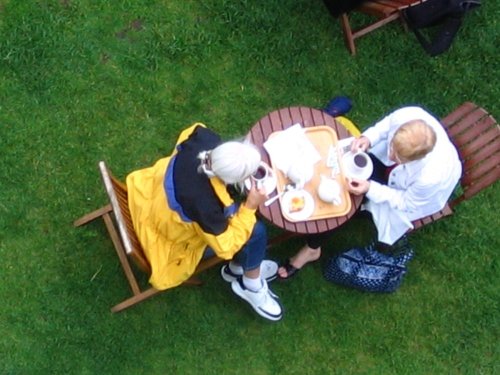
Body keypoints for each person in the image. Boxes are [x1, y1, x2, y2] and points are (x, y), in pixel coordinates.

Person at [277, 106, 462, 280]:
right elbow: (385, 126)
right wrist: (368, 139)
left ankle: (312, 249)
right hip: (396, 176)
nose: (390, 155)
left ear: (416, 159)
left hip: (408, 196)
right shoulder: (409, 115)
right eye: (392, 148)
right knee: (339, 172)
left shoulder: (430, 177)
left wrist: (369, 188)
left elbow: (405, 202)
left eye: (397, 157)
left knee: (343, 204)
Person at [126, 123, 283, 321]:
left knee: (244, 222)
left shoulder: (202, 140)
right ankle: (251, 285)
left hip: (148, 198)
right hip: (164, 239)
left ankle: (238, 269)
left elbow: (193, 130)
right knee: (255, 231)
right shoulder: (207, 208)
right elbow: (226, 247)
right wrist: (250, 206)